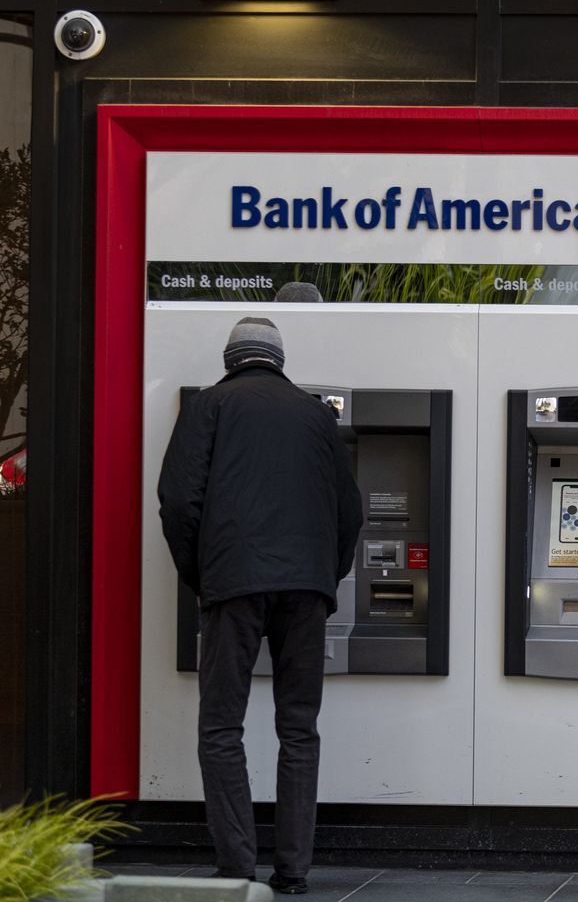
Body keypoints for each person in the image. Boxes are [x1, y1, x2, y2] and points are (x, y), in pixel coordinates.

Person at [158, 317, 362, 896]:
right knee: (299, 728)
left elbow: (177, 500)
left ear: (231, 359)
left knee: (221, 725)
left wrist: (202, 575)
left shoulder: (209, 407)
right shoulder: (317, 416)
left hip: (233, 582)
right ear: (278, 360)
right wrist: (327, 578)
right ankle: (294, 870)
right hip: (307, 590)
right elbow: (350, 510)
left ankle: (236, 867)